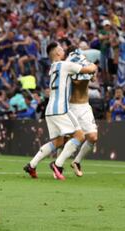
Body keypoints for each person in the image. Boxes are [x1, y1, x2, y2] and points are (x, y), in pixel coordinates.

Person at [23, 42, 97, 180]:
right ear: (57, 52)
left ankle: (32, 165)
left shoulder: (52, 68)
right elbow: (88, 69)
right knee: (80, 136)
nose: (64, 51)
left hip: (49, 110)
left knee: (57, 142)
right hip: (61, 109)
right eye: (61, 49)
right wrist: (94, 65)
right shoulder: (65, 65)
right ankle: (58, 165)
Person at [66, 48, 98, 177]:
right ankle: (58, 166)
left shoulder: (86, 67)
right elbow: (76, 81)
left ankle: (77, 161)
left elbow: (94, 79)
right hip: (70, 107)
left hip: (85, 107)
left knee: (93, 137)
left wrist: (92, 72)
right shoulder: (67, 68)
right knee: (66, 138)